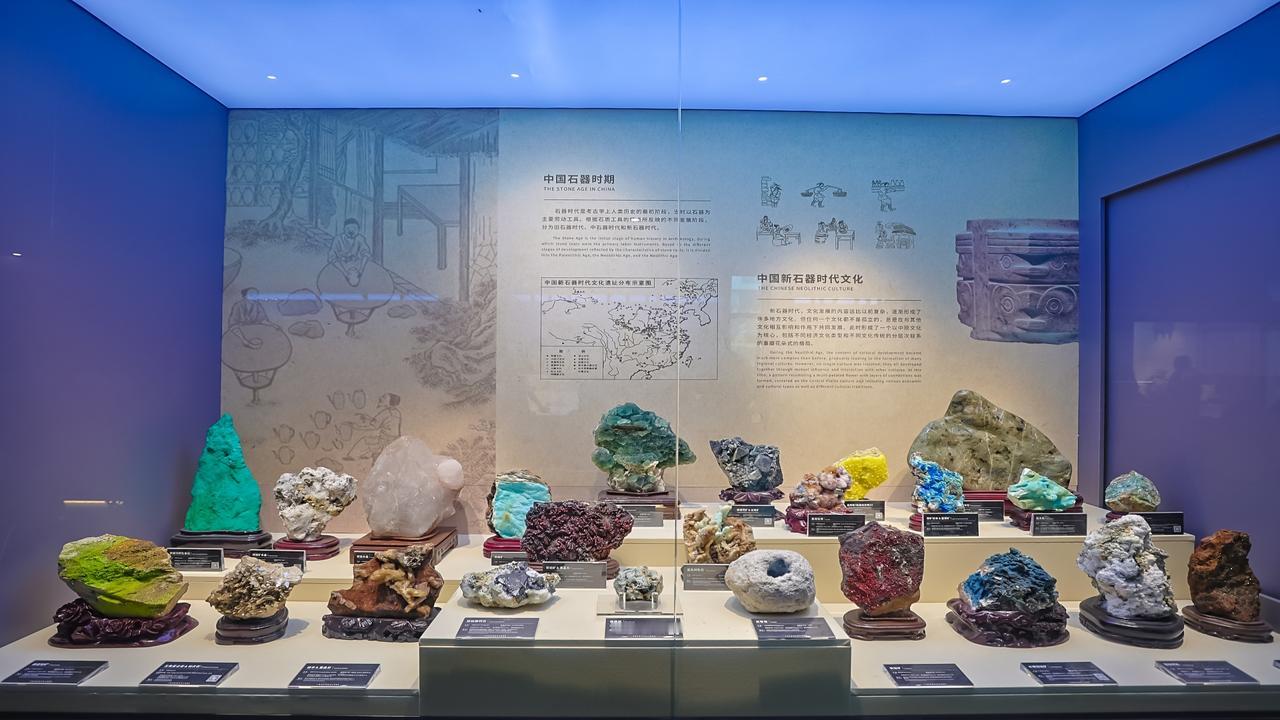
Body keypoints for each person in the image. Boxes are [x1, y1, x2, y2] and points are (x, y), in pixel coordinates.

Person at [345, 393, 403, 461]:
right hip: (394, 441)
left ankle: (352, 456)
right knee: (373, 442)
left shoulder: (386, 412)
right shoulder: (396, 412)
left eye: (384, 397)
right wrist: (368, 418)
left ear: (390, 402)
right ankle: (369, 454)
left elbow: (373, 426)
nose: (380, 398)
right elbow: (380, 421)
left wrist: (355, 426)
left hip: (385, 442)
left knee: (365, 440)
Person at [330, 217, 372, 286]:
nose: (351, 231)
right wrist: (344, 273)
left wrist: (361, 270)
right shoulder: (338, 239)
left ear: (358, 230)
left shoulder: (360, 239)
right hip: (341, 265)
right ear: (344, 229)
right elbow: (332, 257)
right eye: (348, 228)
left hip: (356, 265)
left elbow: (366, 254)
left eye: (354, 228)